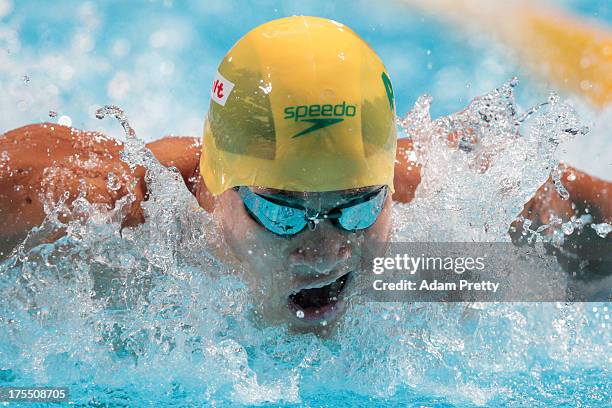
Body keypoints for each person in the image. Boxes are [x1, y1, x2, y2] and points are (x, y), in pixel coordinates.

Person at [0, 16, 610, 331]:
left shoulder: (466, 199)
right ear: (219, 186)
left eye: (356, 206)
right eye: (283, 211)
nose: (323, 247)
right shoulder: (90, 210)